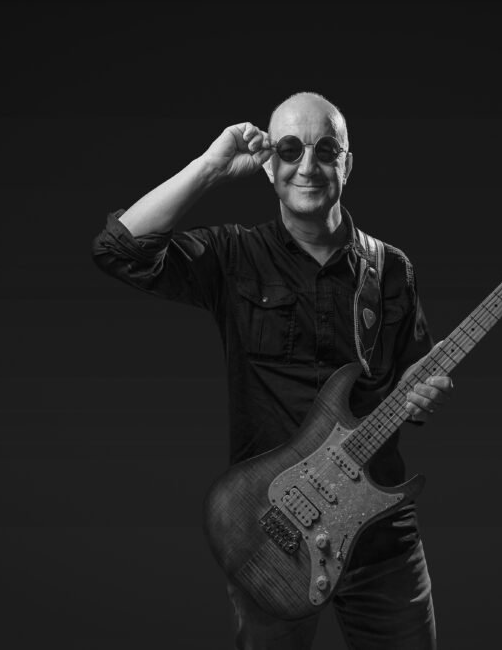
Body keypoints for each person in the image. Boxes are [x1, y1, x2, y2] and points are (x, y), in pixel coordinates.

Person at [91, 91, 453, 649]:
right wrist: (210, 167)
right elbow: (118, 250)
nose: (307, 166)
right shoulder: (235, 255)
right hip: (271, 535)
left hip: (379, 536)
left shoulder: (391, 269)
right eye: (289, 150)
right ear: (269, 165)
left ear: (347, 164)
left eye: (325, 150)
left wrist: (425, 395)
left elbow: (410, 386)